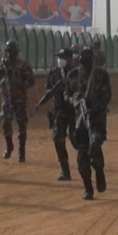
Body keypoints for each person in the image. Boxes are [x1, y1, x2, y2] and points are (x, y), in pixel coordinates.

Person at [65, 47, 112, 200]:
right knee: (82, 157)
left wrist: (96, 108)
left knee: (95, 147)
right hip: (80, 121)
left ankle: (99, 171)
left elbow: (107, 95)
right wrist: (75, 102)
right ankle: (87, 188)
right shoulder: (73, 75)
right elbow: (67, 94)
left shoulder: (101, 74)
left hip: (97, 119)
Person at [0, 40, 36, 162]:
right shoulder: (2, 64)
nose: (10, 54)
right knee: (5, 121)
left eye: (12, 52)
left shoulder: (23, 65)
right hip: (7, 97)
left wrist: (23, 85)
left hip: (20, 98)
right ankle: (9, 146)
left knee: (22, 125)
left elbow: (31, 81)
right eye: (8, 51)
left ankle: (21, 152)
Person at [45, 48, 78, 181]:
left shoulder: (76, 73)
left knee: (77, 140)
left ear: (69, 59)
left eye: (62, 57)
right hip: (60, 110)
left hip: (74, 111)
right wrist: (53, 93)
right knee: (58, 138)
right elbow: (47, 87)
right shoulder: (54, 73)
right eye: (59, 57)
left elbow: (81, 88)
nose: (60, 60)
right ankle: (65, 170)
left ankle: (86, 161)